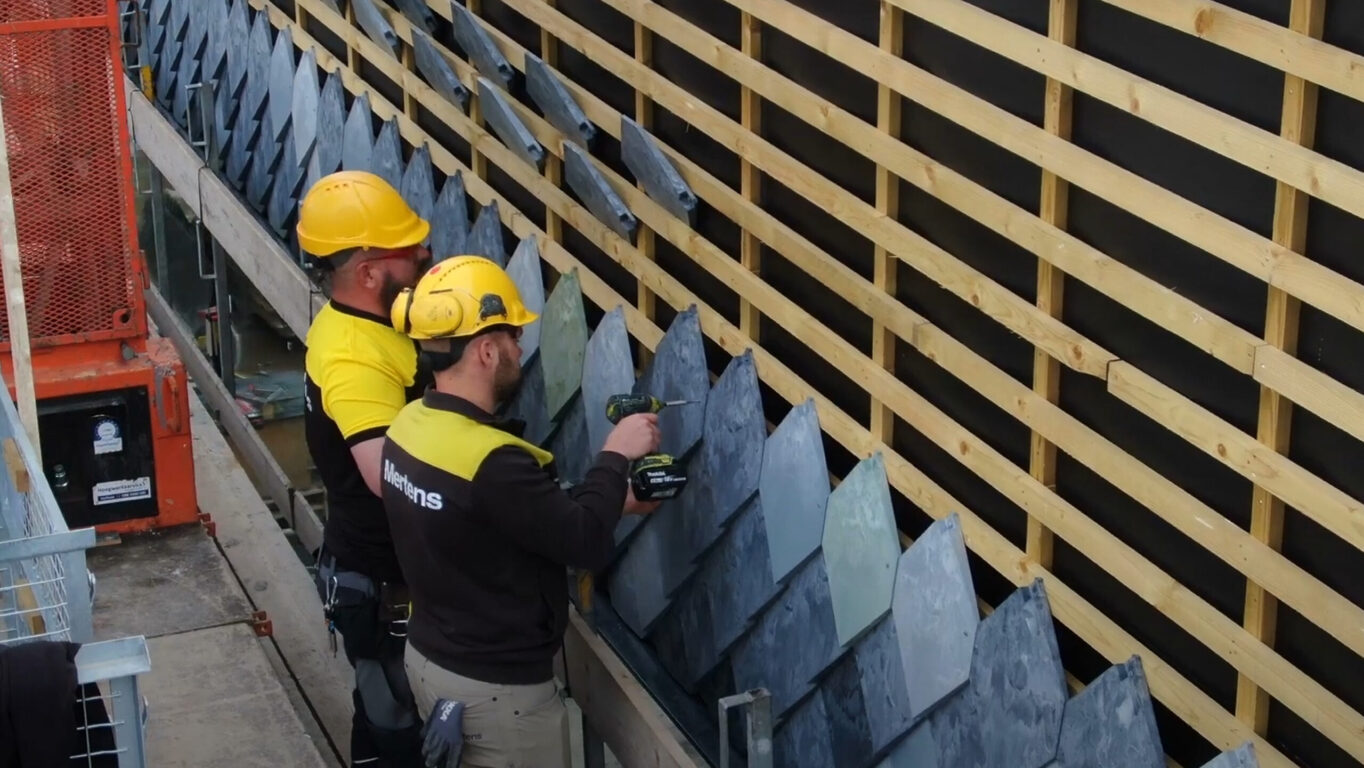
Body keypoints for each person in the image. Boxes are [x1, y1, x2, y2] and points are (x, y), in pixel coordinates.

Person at [381, 256, 662, 767]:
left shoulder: (409, 427)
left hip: (430, 662)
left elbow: (500, 521)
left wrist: (611, 501)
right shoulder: (492, 462)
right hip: (498, 699)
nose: (520, 346)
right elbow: (583, 541)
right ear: (486, 350)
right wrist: (617, 455)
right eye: (511, 336)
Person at [297, 170, 433, 766]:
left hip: (376, 580)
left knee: (380, 719)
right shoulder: (355, 359)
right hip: (385, 591)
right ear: (370, 271)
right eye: (409, 251)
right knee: (400, 728)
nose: (427, 255)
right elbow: (387, 476)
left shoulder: (367, 326)